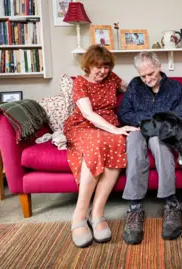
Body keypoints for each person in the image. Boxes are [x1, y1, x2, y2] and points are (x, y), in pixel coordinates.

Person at [63, 45, 139, 248]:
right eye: (98, 67)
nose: (102, 71)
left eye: (106, 66)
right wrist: (114, 129)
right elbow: (87, 114)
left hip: (108, 128)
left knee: (118, 142)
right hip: (83, 126)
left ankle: (97, 212)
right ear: (88, 65)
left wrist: (153, 85)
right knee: (97, 144)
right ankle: (79, 214)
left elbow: (133, 88)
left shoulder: (111, 78)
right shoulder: (80, 82)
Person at [118, 51, 182, 244]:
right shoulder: (134, 85)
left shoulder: (175, 87)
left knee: (160, 144)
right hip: (138, 128)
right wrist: (142, 122)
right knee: (133, 143)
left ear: (159, 66)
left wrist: (157, 125)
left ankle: (171, 203)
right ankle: (134, 207)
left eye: (151, 74)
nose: (147, 79)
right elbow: (124, 111)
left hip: (162, 131)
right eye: (143, 76)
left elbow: (181, 116)